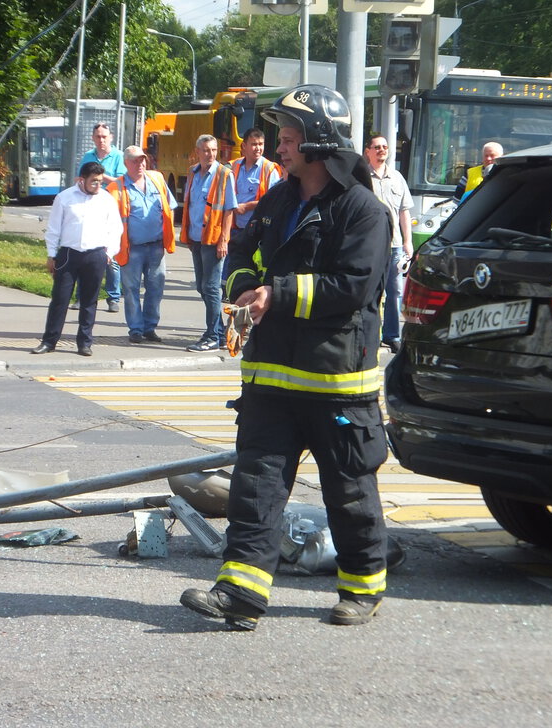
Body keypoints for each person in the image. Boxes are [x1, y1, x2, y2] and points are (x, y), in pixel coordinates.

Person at [179, 85, 394, 631]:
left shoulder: (363, 210)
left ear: (319, 141)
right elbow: (241, 259)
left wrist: (278, 294)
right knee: (256, 487)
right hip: (271, 379)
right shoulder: (276, 201)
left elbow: (350, 286)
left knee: (348, 491)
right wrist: (247, 290)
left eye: (291, 138)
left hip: (336, 382)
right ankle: (242, 595)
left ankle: (363, 588)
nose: (280, 148)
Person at [30, 162, 122, 357]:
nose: (98, 186)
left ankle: (85, 342)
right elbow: (54, 228)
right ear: (82, 180)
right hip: (69, 254)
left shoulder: (106, 200)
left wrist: (109, 253)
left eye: (100, 181)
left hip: (96, 255)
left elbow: (115, 229)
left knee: (90, 301)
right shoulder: (65, 198)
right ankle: (49, 341)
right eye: (93, 182)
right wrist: (51, 254)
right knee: (60, 299)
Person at [105, 146, 177, 344]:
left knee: (156, 288)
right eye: (135, 161)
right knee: (131, 289)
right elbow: (108, 219)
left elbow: (170, 207)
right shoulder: (116, 188)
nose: (140, 164)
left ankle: (150, 327)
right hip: (132, 247)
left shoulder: (157, 179)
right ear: (126, 163)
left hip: (156, 246)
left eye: (143, 160)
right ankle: (135, 329)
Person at [180, 134, 237, 352]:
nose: (210, 154)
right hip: (196, 239)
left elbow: (229, 209)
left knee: (211, 288)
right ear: (197, 152)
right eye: (205, 150)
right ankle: (220, 334)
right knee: (202, 287)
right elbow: (190, 204)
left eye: (213, 150)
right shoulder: (193, 173)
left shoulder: (224, 174)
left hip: (214, 241)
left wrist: (224, 239)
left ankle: (212, 336)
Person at [364, 134, 413, 351]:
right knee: (371, 290)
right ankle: (369, 333)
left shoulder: (397, 178)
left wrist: (408, 241)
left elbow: (404, 212)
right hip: (371, 244)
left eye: (384, 147)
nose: (382, 150)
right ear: (368, 151)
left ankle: (392, 335)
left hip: (394, 245)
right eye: (377, 147)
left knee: (395, 291)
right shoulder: (362, 177)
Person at [224, 127, 282, 282]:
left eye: (261, 144)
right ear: (244, 146)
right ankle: (226, 293)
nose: (258, 148)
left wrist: (247, 206)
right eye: (254, 144)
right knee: (231, 268)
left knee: (251, 268)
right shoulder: (233, 166)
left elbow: (272, 199)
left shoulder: (269, 169)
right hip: (234, 229)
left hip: (256, 230)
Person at [80, 122, 127, 313]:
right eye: (98, 137)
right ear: (93, 138)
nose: (101, 140)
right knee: (84, 254)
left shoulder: (118, 156)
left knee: (111, 258)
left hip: (111, 208)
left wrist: (99, 176)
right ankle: (83, 296)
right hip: (90, 208)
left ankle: (113, 297)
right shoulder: (87, 157)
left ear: (111, 137)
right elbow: (81, 179)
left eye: (104, 137)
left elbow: (122, 181)